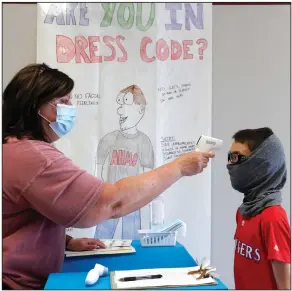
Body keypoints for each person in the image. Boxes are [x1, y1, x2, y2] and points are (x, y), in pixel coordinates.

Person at [3, 63, 215, 290]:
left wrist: (65, 242)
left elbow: (18, 218)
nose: (70, 109)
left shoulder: (13, 150)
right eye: (62, 102)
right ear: (33, 106)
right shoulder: (35, 158)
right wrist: (179, 167)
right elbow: (112, 201)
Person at [227, 127, 291, 290]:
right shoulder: (244, 211)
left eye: (236, 158)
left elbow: (284, 285)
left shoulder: (273, 217)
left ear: (262, 163)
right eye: (229, 157)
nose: (229, 164)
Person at [94, 85, 154, 240]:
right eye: (119, 104)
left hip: (133, 199)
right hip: (108, 199)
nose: (120, 110)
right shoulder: (108, 139)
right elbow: (98, 174)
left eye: (126, 103)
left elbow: (149, 177)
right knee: (101, 240)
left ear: (140, 110)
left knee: (132, 241)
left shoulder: (144, 142)